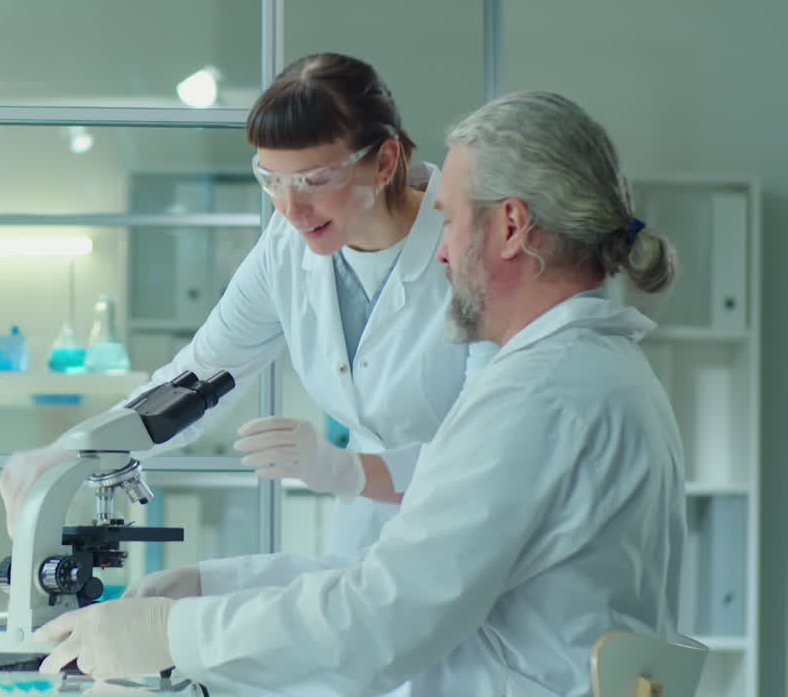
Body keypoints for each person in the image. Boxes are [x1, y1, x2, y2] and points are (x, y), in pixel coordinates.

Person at [35, 90, 686, 697]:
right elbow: (390, 582)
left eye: (451, 222)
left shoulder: (538, 396)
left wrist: (170, 634)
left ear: (511, 227)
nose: (440, 253)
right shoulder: (596, 372)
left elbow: (380, 618)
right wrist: (208, 586)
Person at [1, 52, 494, 586]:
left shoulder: (470, 255)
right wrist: (73, 452)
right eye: (271, 180)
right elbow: (198, 377)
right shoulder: (288, 247)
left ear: (383, 161)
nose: (290, 209)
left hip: (478, 542)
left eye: (313, 180)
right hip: (368, 551)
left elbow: (491, 453)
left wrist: (347, 471)